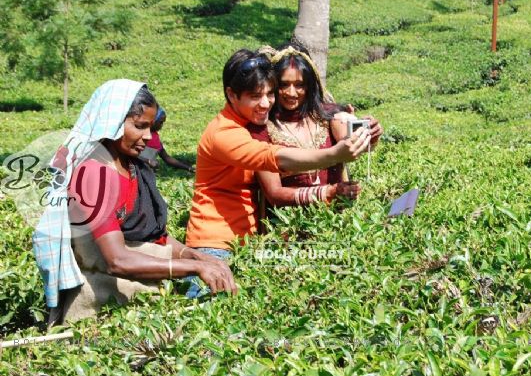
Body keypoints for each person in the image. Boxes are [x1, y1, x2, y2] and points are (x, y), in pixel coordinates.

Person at [32, 79, 236, 325]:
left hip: (141, 300)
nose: (148, 137)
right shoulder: (93, 175)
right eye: (140, 126)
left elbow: (155, 238)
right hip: (100, 313)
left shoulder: (133, 168)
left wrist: (195, 256)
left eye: (150, 127)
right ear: (114, 123)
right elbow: (117, 260)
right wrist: (193, 268)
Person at [184, 49, 372, 258]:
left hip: (247, 241)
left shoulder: (251, 121)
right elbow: (273, 159)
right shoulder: (225, 133)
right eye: (255, 96)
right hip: (216, 244)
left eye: (269, 94)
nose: (265, 103)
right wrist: (334, 157)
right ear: (231, 94)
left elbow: (337, 117)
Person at [247, 43, 383, 209]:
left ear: (309, 86)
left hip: (335, 223)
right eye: (284, 85)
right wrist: (326, 193)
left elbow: (351, 144)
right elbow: (274, 193)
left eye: (299, 85)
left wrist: (370, 136)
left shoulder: (328, 115)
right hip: (288, 227)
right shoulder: (261, 130)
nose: (291, 93)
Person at [139, 106, 196, 173]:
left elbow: (167, 158)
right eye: (160, 122)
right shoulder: (141, 135)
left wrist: (188, 168)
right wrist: (148, 161)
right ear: (152, 120)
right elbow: (132, 154)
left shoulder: (155, 139)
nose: (162, 125)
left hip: (148, 173)